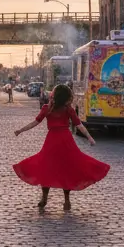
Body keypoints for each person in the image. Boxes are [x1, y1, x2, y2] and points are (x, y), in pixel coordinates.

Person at [13, 83, 108, 212]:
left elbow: (35, 123)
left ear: (54, 95)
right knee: (66, 169)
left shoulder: (47, 108)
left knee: (47, 168)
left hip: (52, 141)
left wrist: (21, 130)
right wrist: (89, 137)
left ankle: (44, 198)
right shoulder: (68, 109)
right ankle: (66, 200)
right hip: (66, 140)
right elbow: (79, 125)